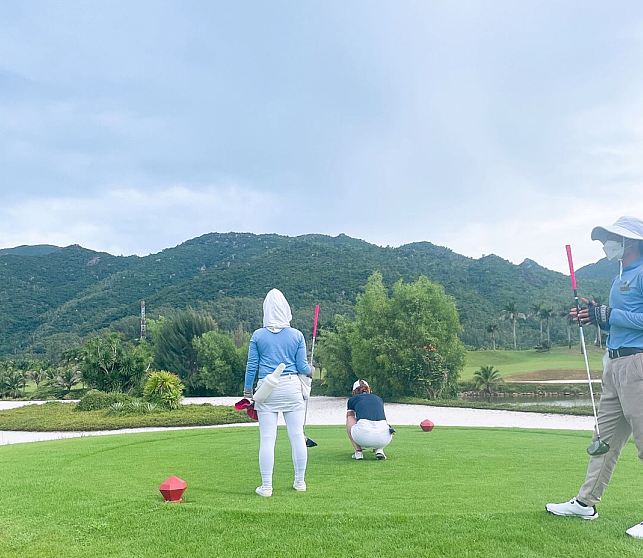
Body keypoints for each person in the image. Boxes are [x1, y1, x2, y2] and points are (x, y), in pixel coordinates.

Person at [546, 216, 643, 539]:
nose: (606, 245)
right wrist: (598, 317)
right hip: (615, 365)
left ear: (630, 242)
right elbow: (622, 320)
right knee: (603, 440)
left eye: (612, 238)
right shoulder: (619, 278)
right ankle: (585, 503)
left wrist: (609, 314)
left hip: (638, 364)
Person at [244, 288, 313, 497]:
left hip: (267, 389)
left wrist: (248, 392)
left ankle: (266, 486)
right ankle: (300, 482)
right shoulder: (297, 335)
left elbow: (251, 366)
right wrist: (311, 370)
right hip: (291, 387)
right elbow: (302, 367)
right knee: (297, 435)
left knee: (267, 438)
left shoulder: (258, 335)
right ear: (286, 309)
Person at [346, 379, 393, 460]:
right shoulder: (378, 398)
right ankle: (379, 450)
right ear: (368, 389)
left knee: (350, 418)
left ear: (354, 391)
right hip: (385, 439)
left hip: (362, 437)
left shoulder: (352, 400)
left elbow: (350, 416)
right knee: (382, 422)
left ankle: (358, 452)